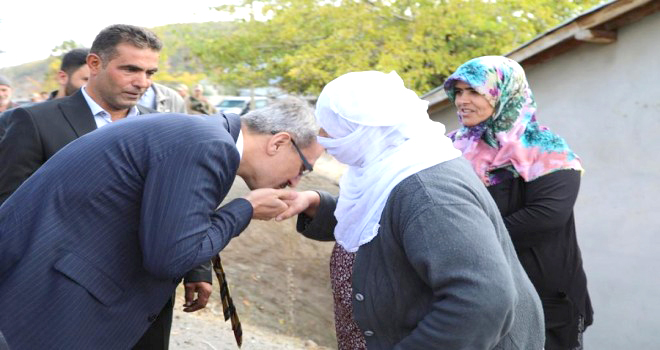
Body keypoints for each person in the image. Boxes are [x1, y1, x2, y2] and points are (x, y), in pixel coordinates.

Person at [0, 97, 324, 349]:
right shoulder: (211, 145)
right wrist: (243, 210)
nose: (295, 182)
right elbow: (170, 257)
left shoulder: (205, 134)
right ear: (279, 142)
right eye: (303, 167)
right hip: (58, 301)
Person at [275, 71, 545, 349]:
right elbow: (383, 221)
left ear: (364, 128)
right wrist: (316, 205)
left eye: (331, 128)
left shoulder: (430, 192)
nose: (323, 138)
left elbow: (483, 301)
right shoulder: (391, 165)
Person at [0, 24, 199, 350]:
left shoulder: (166, 128)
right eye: (130, 69)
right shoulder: (34, 122)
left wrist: (196, 267)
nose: (143, 82)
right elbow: (12, 208)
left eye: (150, 72)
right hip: (63, 294)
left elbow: (183, 202)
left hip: (143, 297)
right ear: (94, 64)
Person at [443, 56, 593, 350]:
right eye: (458, 92)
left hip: (542, 293)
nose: (462, 100)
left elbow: (546, 215)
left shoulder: (546, 149)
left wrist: (467, 240)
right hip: (471, 288)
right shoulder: (449, 147)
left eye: (474, 92)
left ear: (505, 93)